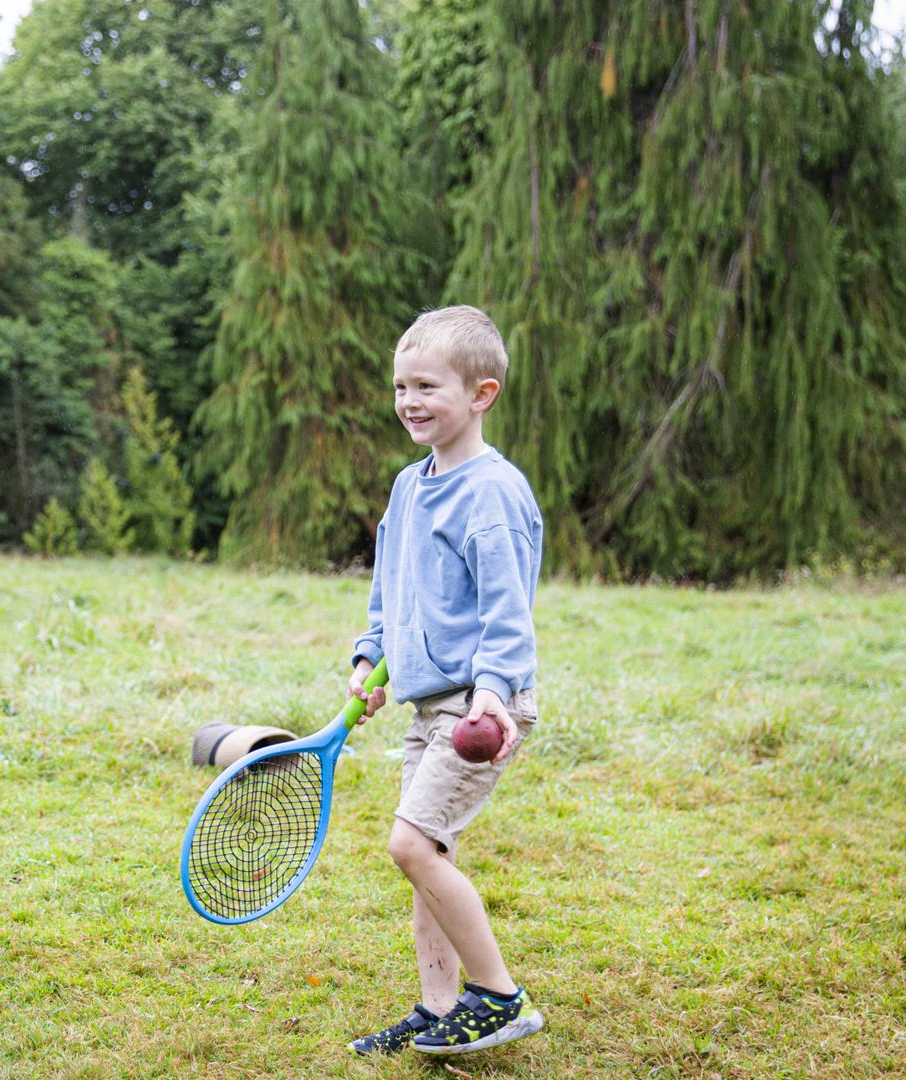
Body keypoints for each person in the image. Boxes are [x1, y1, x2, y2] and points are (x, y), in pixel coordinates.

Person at [345, 306, 546, 1057]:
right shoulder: (409, 487)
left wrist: (494, 692)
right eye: (401, 386)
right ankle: (437, 1009)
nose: (410, 401)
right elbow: (391, 593)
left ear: (481, 394)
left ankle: (499, 997)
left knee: (410, 845)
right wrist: (370, 661)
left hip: (480, 706)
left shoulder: (492, 493)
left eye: (428, 385)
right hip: (429, 704)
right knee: (430, 854)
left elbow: (508, 610)